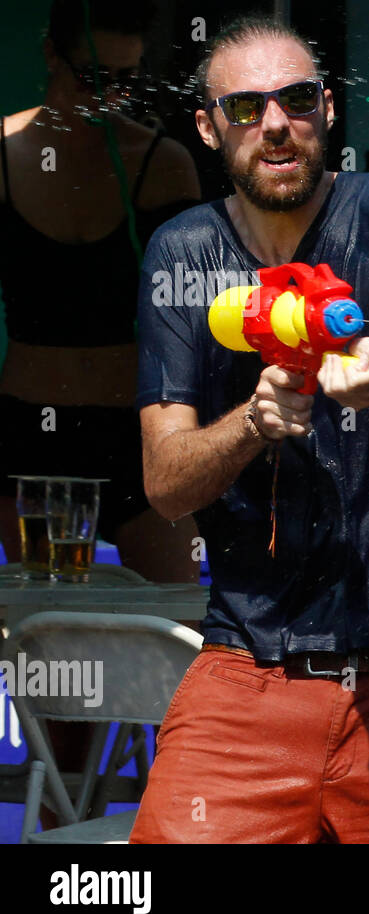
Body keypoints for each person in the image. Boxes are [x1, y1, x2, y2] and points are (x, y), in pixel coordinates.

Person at [129, 16, 369, 843]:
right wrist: (253, 423)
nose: (275, 123)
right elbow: (165, 482)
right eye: (245, 107)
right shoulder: (183, 253)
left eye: (296, 98)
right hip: (248, 676)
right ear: (207, 127)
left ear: (329, 110)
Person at [0, 0, 202, 583]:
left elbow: (191, 308)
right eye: (91, 78)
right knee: (46, 621)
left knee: (178, 609)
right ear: (50, 56)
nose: (106, 97)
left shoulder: (161, 161)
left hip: (130, 427)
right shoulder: (4, 154)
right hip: (26, 429)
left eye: (125, 80)